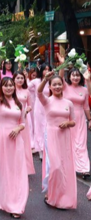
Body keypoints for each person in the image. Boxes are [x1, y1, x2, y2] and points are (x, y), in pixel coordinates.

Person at [0, 66, 29, 219]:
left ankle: (16, 202)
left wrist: (18, 128)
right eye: (6, 85)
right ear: (2, 88)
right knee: (1, 168)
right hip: (2, 138)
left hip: (16, 140)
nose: (9, 88)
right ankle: (1, 195)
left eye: (11, 85)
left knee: (17, 170)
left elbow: (23, 122)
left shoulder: (19, 104)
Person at [38, 71, 77, 209]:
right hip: (51, 135)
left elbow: (74, 121)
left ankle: (63, 196)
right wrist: (45, 79)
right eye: (54, 84)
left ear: (63, 86)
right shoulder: (47, 101)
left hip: (65, 137)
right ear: (50, 87)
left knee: (65, 167)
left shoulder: (69, 103)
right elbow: (38, 92)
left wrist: (67, 123)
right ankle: (51, 193)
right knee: (55, 167)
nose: (57, 86)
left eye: (59, 84)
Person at [60, 67, 91, 177]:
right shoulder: (64, 87)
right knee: (69, 143)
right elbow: (60, 76)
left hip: (81, 119)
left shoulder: (84, 89)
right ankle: (69, 166)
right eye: (73, 75)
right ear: (69, 76)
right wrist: (62, 63)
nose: (76, 77)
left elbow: (86, 106)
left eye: (78, 75)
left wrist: (90, 120)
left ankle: (84, 168)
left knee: (81, 144)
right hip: (67, 117)